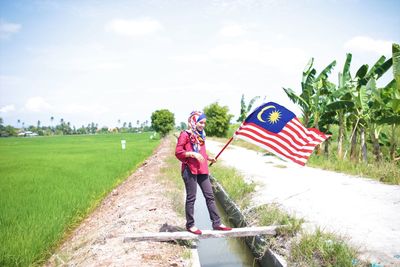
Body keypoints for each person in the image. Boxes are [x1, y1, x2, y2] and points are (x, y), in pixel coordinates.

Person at [175, 111, 232, 235]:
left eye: (204, 123)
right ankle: (190, 225)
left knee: (210, 196)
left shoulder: (201, 135)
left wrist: (209, 158)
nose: (202, 125)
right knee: (191, 198)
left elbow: (201, 152)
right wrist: (192, 154)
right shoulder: (185, 135)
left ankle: (216, 223)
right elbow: (178, 152)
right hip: (189, 169)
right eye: (200, 122)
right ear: (193, 122)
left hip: (202, 169)